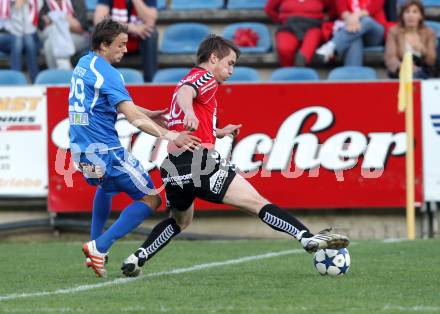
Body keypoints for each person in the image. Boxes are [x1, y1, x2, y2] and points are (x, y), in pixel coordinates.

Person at [120, 34, 350, 277]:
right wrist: (189, 111)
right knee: (257, 203)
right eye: (229, 63)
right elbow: (186, 94)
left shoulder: (186, 79)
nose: (231, 70)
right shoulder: (204, 78)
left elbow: (185, 108)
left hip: (174, 167)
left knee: (180, 221)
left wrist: (218, 131)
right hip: (201, 162)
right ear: (213, 58)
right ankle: (305, 237)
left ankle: (138, 257)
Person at [69, 18, 200, 277]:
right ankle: (99, 246)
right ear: (104, 45)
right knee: (151, 199)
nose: (125, 49)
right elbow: (131, 117)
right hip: (107, 152)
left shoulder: (84, 63)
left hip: (80, 152)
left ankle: (96, 247)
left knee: (104, 188)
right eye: (120, 44)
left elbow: (115, 103)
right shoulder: (108, 73)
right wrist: (170, 135)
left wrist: (148, 112)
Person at [94, 0, 158, 82]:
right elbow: (99, 20)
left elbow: (150, 20)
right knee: (101, 33)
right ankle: (99, 80)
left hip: (139, 41)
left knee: (151, 33)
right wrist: (129, 28)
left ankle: (151, 82)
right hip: (115, 40)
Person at [316, 0, 387, 66]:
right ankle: (353, 76)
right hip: (351, 31)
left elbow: (370, 10)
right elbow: (342, 11)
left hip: (374, 32)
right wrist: (350, 19)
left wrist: (355, 17)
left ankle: (333, 45)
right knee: (355, 38)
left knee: (366, 20)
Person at [264, 0, 328, 67]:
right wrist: (281, 20)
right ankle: (289, 72)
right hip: (289, 26)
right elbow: (269, 9)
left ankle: (301, 62)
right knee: (284, 49)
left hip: (314, 26)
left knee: (310, 44)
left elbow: (333, 10)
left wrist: (326, 19)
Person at [384, 0, 437, 79]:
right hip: (401, 71)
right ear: (402, 16)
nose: (410, 15)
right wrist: (404, 67)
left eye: (415, 12)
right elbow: (390, 58)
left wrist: (423, 49)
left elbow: (431, 60)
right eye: (407, 12)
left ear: (420, 16)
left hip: (423, 71)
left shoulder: (429, 33)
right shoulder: (394, 32)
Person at [38, 0, 90, 69]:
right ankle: (63, 73)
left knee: (51, 43)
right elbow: (43, 27)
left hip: (78, 36)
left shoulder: (77, 1)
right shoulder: (45, 3)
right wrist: (66, 22)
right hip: (55, 37)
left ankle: (60, 75)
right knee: (50, 43)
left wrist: (60, 18)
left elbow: (80, 28)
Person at [0, 0, 42, 83]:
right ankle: (16, 80)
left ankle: (35, 81)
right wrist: (14, 5)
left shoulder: (32, 2)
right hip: (4, 35)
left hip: (23, 36)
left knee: (28, 41)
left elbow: (29, 29)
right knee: (18, 40)